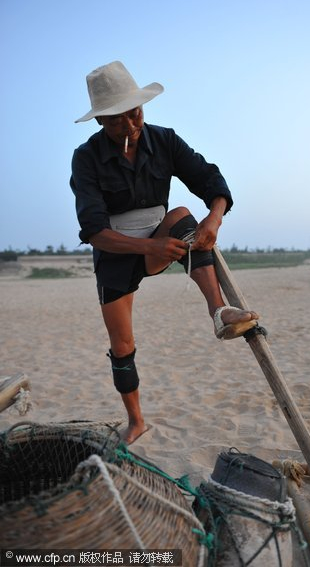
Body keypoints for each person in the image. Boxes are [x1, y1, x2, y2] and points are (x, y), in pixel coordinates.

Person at [70, 61, 259, 444]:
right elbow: (94, 230)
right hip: (115, 251)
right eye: (118, 119)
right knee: (122, 346)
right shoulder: (85, 158)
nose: (130, 124)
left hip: (163, 238)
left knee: (185, 216)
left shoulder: (165, 141)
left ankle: (219, 312)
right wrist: (147, 245)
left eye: (135, 112)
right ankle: (136, 421)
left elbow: (210, 179)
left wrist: (215, 219)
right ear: (100, 122)